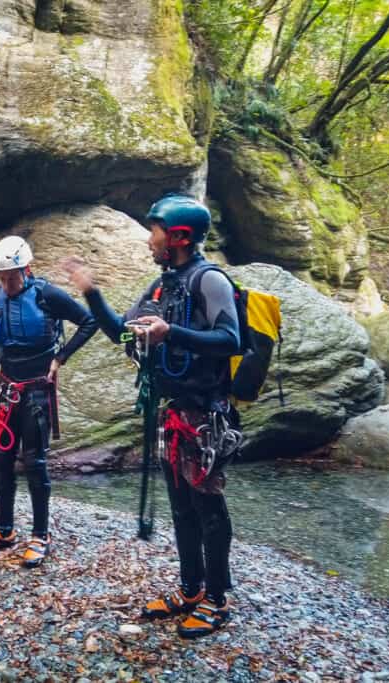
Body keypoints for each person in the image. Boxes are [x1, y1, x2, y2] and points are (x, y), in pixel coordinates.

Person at [68, 194, 242, 638]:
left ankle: (217, 600)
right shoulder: (161, 287)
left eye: (155, 232)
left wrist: (172, 332)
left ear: (179, 237)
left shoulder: (210, 281)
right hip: (173, 414)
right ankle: (190, 589)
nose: (150, 240)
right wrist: (91, 292)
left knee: (208, 507)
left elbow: (229, 338)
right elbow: (118, 332)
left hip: (206, 416)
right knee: (182, 508)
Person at [0, 236, 98, 568]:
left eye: (12, 277)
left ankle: (41, 536)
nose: (7, 284)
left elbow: (89, 321)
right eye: (2, 277)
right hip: (8, 386)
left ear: (26, 269)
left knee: (35, 461)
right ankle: (4, 531)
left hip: (38, 388)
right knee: (2, 459)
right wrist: (0, 354)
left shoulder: (47, 294)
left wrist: (61, 358)